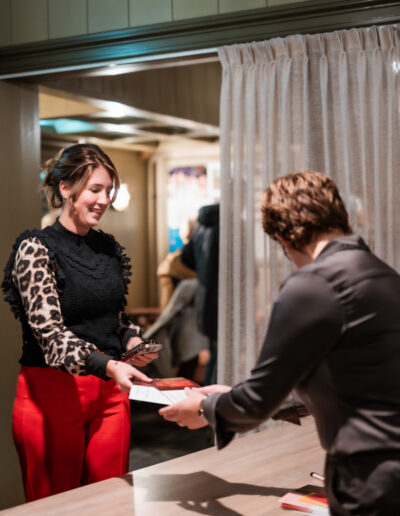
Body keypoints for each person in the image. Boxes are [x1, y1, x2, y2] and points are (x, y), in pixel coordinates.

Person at [160, 171, 400, 515]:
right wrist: (232, 395)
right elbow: (351, 378)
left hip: (371, 477)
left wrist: (203, 409)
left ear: (283, 237)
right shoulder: (384, 275)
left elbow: (257, 400)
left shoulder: (314, 284)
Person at [2, 143, 158, 502]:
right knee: (58, 507)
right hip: (52, 395)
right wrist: (110, 364)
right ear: (65, 188)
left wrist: (132, 341)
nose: (104, 200)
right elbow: (50, 335)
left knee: (112, 502)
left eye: (108, 190)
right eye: (95, 189)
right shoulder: (35, 248)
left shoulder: (107, 248)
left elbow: (114, 319)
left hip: (109, 394)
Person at [180, 204, 219, 384]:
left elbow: (185, 257)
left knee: (215, 354)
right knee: (221, 356)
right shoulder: (230, 226)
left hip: (205, 300)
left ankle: (208, 395)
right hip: (222, 301)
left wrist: (204, 274)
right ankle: (213, 397)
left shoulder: (201, 226)